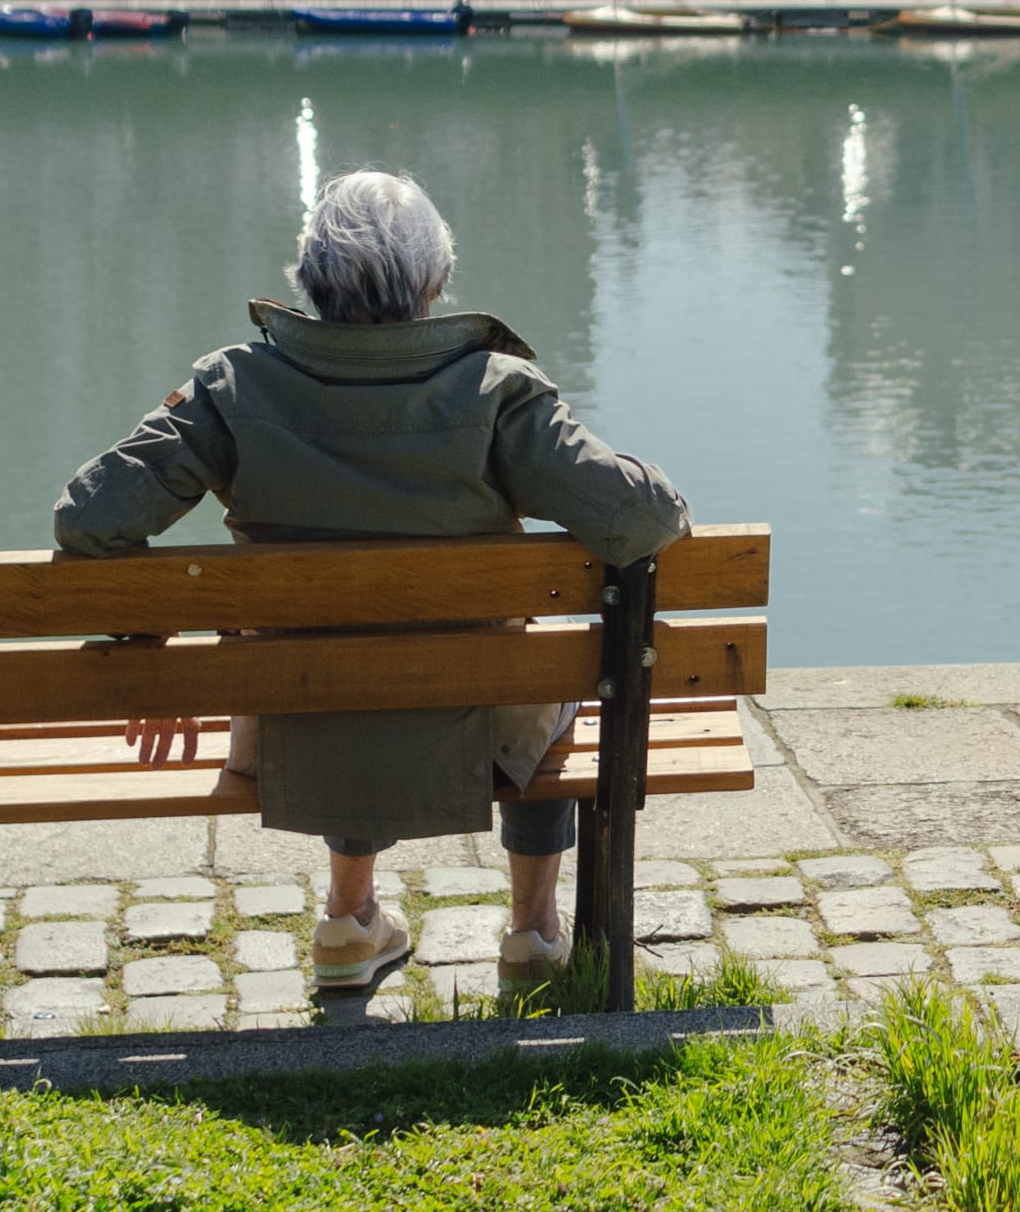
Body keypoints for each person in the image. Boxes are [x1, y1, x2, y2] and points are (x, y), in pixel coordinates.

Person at [51, 170, 691, 1000]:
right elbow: (643, 518)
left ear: (309, 278)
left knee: (338, 664)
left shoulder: (230, 385)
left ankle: (349, 921)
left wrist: (149, 632)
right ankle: (532, 934)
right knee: (555, 671)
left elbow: (87, 517)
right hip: (482, 711)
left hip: (298, 712)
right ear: (434, 283)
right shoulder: (496, 392)